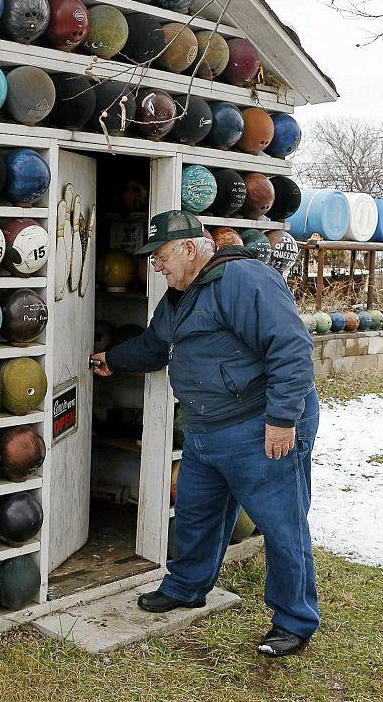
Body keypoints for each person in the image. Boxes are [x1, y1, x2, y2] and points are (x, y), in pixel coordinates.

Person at [89, 210, 319, 658]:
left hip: (259, 424)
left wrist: (282, 420)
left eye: (160, 257)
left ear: (190, 248)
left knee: (282, 525)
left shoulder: (246, 280)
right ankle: (186, 587)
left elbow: (291, 348)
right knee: (196, 512)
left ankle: (294, 621)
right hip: (206, 428)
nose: (155, 267)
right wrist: (113, 359)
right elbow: (155, 346)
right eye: (152, 260)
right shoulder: (177, 296)